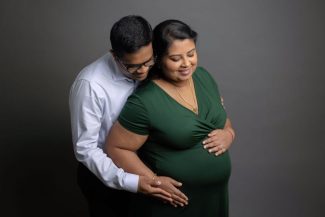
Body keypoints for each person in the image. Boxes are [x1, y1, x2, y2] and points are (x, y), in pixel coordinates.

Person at [105, 19, 235, 217]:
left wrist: (229, 133)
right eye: (175, 59)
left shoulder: (204, 77)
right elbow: (117, 147)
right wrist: (154, 181)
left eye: (191, 54)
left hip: (213, 199)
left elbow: (222, 119)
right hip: (171, 204)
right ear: (158, 58)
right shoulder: (144, 101)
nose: (186, 64)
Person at [69, 15, 187, 217]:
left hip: (145, 167)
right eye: (132, 66)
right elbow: (85, 149)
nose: (143, 71)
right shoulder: (90, 86)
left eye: (148, 61)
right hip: (106, 181)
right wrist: (131, 181)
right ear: (114, 56)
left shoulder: (152, 61)